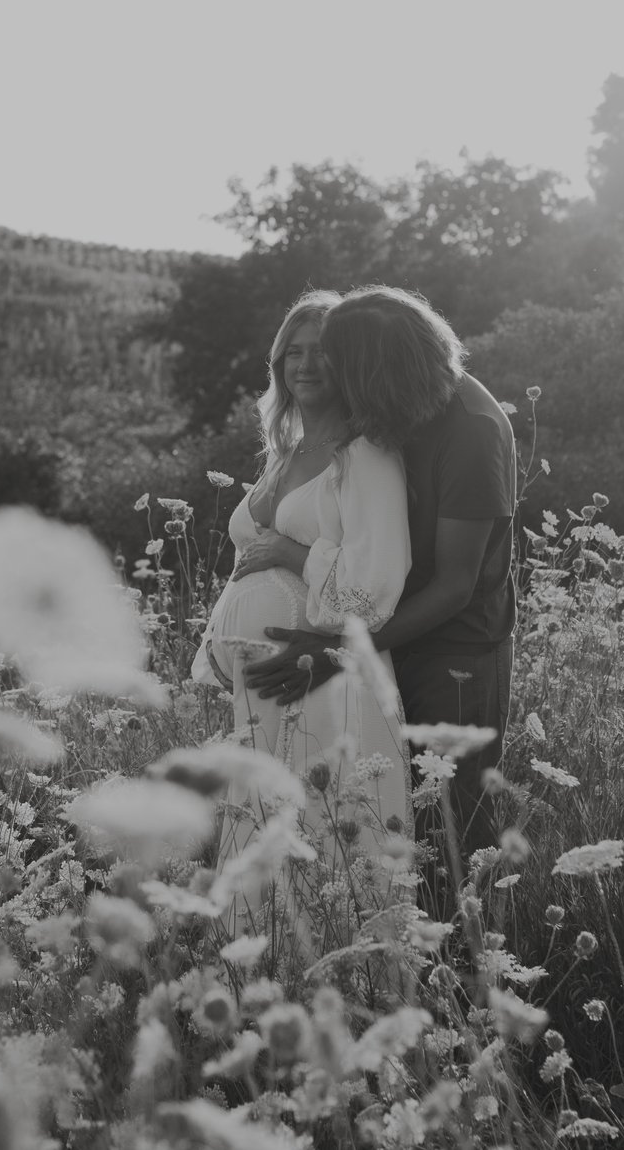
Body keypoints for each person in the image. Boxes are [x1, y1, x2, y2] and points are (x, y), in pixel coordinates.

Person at [243, 285, 516, 905]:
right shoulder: (400, 410)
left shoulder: (470, 430)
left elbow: (455, 585)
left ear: (383, 365)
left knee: (451, 822)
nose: (336, 380)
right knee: (389, 814)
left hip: (453, 652)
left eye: (346, 366)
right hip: (390, 635)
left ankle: (469, 974)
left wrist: (343, 648)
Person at [192, 290, 414, 916]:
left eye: (322, 352)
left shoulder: (365, 453)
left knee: (329, 829)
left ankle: (348, 979)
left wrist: (292, 557)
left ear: (349, 362)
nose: (305, 365)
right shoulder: (284, 451)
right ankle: (260, 977)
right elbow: (247, 566)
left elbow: (376, 587)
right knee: (262, 821)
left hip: (325, 676)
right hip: (267, 684)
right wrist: (218, 644)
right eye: (293, 352)